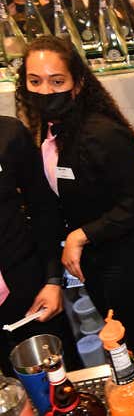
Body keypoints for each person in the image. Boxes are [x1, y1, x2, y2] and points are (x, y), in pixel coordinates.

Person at [14, 36, 134, 356]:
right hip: (96, 260)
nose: (45, 91)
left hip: (127, 259)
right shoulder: (49, 128)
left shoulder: (102, 133)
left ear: (77, 84)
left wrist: (79, 236)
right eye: (35, 81)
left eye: (57, 81)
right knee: (118, 338)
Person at [0, 115, 79, 375]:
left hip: (27, 289)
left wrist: (53, 279)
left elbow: (43, 208)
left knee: (60, 378)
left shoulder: (8, 133)